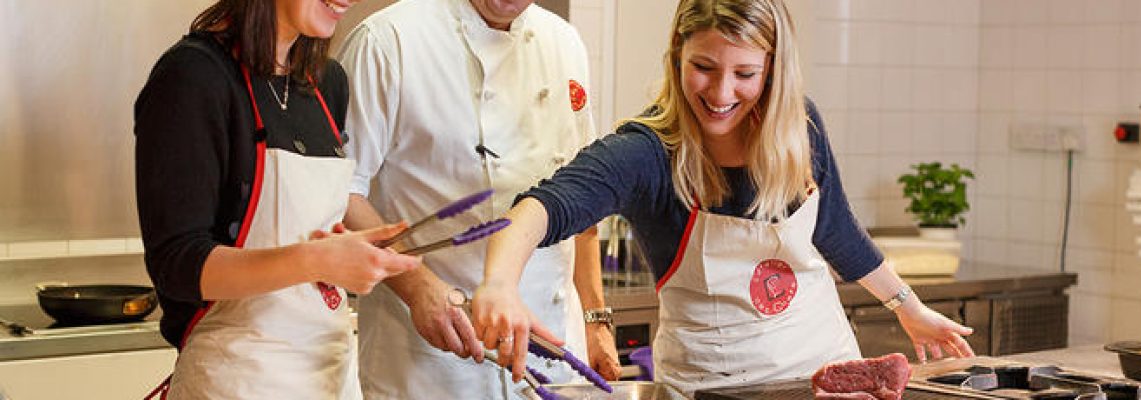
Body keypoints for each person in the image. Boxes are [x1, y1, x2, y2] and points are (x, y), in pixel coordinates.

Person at [470, 0, 977, 396]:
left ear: (774, 70)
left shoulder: (798, 127)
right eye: (704, 67)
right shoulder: (647, 151)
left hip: (825, 373)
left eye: (745, 74)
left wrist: (907, 307)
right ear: (677, 54)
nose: (721, 93)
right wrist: (497, 283)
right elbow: (541, 208)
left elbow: (836, 230)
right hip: (713, 386)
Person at [134, 0, 421, 398]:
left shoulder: (327, 83)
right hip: (235, 381)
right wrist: (315, 260)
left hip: (330, 378)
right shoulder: (193, 76)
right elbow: (178, 264)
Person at [335, 0, 621, 398]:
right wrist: (418, 287)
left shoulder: (564, 41)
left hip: (553, 349)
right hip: (433, 361)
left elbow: (583, 196)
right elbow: (341, 191)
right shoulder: (387, 41)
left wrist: (595, 319)